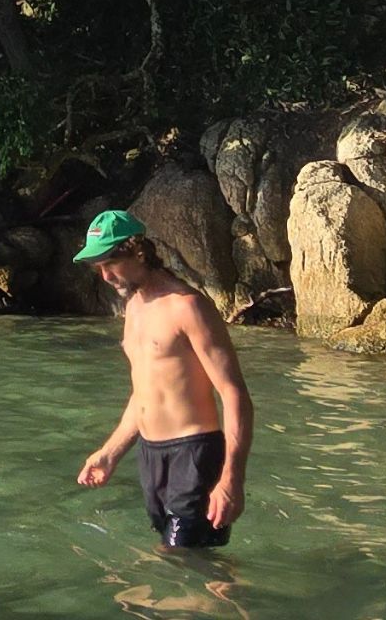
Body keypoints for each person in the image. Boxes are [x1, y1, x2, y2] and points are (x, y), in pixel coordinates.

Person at [74, 210, 253, 549]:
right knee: (190, 567)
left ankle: (241, 602)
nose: (105, 275)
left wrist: (232, 476)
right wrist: (110, 453)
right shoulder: (135, 309)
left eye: (110, 262)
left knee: (181, 563)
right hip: (152, 456)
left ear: (138, 251)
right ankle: (233, 600)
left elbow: (234, 393)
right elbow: (143, 394)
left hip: (195, 454)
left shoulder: (188, 307)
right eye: (96, 266)